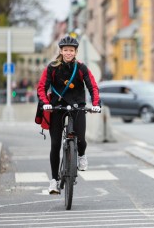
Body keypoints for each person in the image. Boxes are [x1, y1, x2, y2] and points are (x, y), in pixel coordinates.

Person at [37, 35, 101, 194]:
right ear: (61, 51)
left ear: (76, 52)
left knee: (81, 138)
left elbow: (92, 86)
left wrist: (95, 104)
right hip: (57, 105)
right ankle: (53, 181)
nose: (68, 53)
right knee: (55, 144)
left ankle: (82, 155)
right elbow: (41, 88)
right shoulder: (52, 67)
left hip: (77, 104)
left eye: (71, 50)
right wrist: (46, 103)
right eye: (65, 50)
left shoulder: (81, 68)